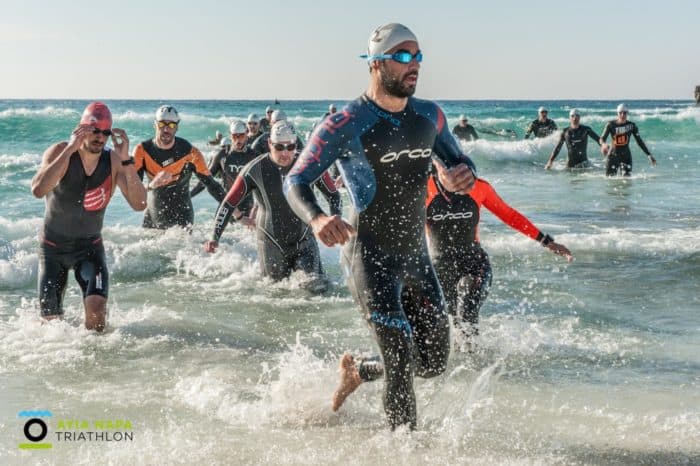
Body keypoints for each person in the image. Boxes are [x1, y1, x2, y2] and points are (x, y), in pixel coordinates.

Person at [283, 23, 476, 429]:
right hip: (368, 257)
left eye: (418, 56)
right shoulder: (344, 123)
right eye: (403, 56)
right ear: (375, 63)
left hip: (415, 256)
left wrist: (460, 175)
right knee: (402, 359)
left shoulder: (430, 116)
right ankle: (403, 449)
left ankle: (360, 372)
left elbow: (461, 162)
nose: (414, 65)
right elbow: (295, 179)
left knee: (434, 361)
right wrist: (318, 217)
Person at [30, 102, 146, 331]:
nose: (100, 137)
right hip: (53, 248)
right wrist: (70, 149)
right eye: (94, 130)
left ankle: (100, 364)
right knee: (51, 327)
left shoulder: (113, 160)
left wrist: (127, 161)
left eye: (105, 132)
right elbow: (38, 189)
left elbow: (140, 204)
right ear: (81, 128)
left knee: (97, 316)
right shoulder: (60, 151)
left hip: (89, 248)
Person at [426, 171, 572, 344]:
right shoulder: (422, 189)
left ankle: (475, 365)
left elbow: (509, 215)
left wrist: (546, 242)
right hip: (439, 269)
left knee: (466, 311)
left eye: (461, 170)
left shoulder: (478, 187)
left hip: (474, 264)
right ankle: (459, 366)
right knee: (449, 324)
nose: (457, 177)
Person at [204, 121, 341, 288]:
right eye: (279, 147)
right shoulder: (254, 169)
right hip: (270, 242)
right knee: (275, 295)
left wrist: (336, 220)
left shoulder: (309, 165)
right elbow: (229, 203)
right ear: (269, 144)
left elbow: (333, 194)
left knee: (317, 289)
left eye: (290, 147)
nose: (285, 153)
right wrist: (214, 237)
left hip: (304, 240)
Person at [133, 105, 226, 229]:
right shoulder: (142, 151)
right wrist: (151, 185)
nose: (166, 129)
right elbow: (134, 193)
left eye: (171, 125)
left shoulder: (190, 153)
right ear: (155, 124)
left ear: (177, 126)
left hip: (182, 220)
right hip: (152, 219)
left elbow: (211, 185)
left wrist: (237, 214)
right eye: (162, 124)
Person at [191, 120, 258, 223]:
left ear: (246, 135)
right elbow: (206, 179)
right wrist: (189, 196)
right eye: (235, 136)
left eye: (241, 136)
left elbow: (264, 185)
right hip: (226, 205)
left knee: (246, 238)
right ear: (230, 136)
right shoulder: (222, 155)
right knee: (216, 237)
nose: (238, 140)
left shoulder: (254, 156)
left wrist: (258, 207)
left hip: (247, 206)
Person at [599, 104, 656, 176]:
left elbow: (639, 141)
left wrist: (649, 155)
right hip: (613, 156)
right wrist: (603, 144)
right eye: (620, 113)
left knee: (627, 182)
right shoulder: (611, 124)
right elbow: (602, 138)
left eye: (625, 113)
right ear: (617, 113)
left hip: (626, 157)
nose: (622, 115)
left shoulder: (632, 126)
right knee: (610, 182)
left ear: (627, 113)